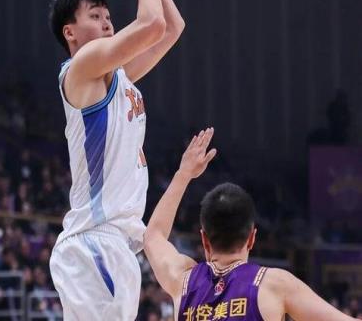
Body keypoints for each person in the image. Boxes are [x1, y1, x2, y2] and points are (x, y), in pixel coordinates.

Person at [48, 0, 185, 320]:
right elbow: (152, 24)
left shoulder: (116, 77)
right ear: (70, 32)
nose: (107, 22)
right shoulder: (82, 67)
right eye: (95, 16)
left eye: (108, 15)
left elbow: (172, 27)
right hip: (94, 242)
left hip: (114, 245)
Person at [144, 128, 358, 320]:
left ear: (204, 240)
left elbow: (153, 236)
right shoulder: (274, 284)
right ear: (252, 238)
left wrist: (183, 174)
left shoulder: (183, 281)